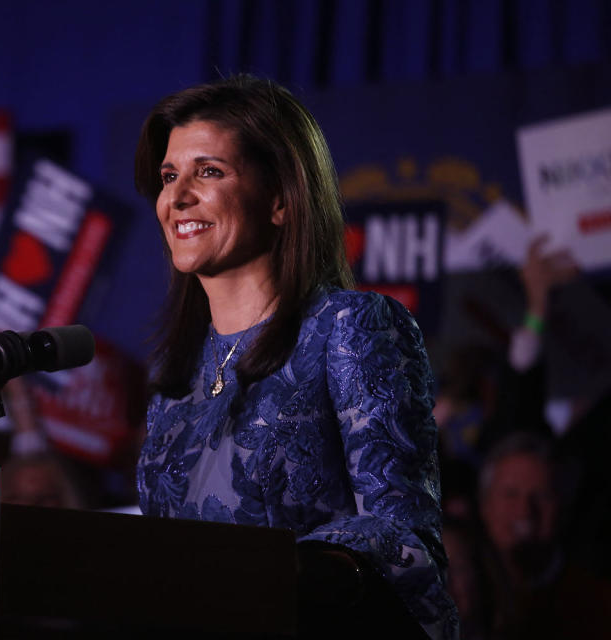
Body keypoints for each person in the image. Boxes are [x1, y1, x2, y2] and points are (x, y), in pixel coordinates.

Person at [134, 75, 457, 639]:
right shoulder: (175, 383)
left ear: (281, 198)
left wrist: (265, 570)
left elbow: (406, 538)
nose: (176, 196)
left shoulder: (349, 328)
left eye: (208, 171)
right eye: (168, 176)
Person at [477, 432, 611, 639]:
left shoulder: (598, 604)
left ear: (563, 508)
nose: (524, 511)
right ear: (484, 505)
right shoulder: (458, 593)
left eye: (542, 496)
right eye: (510, 494)